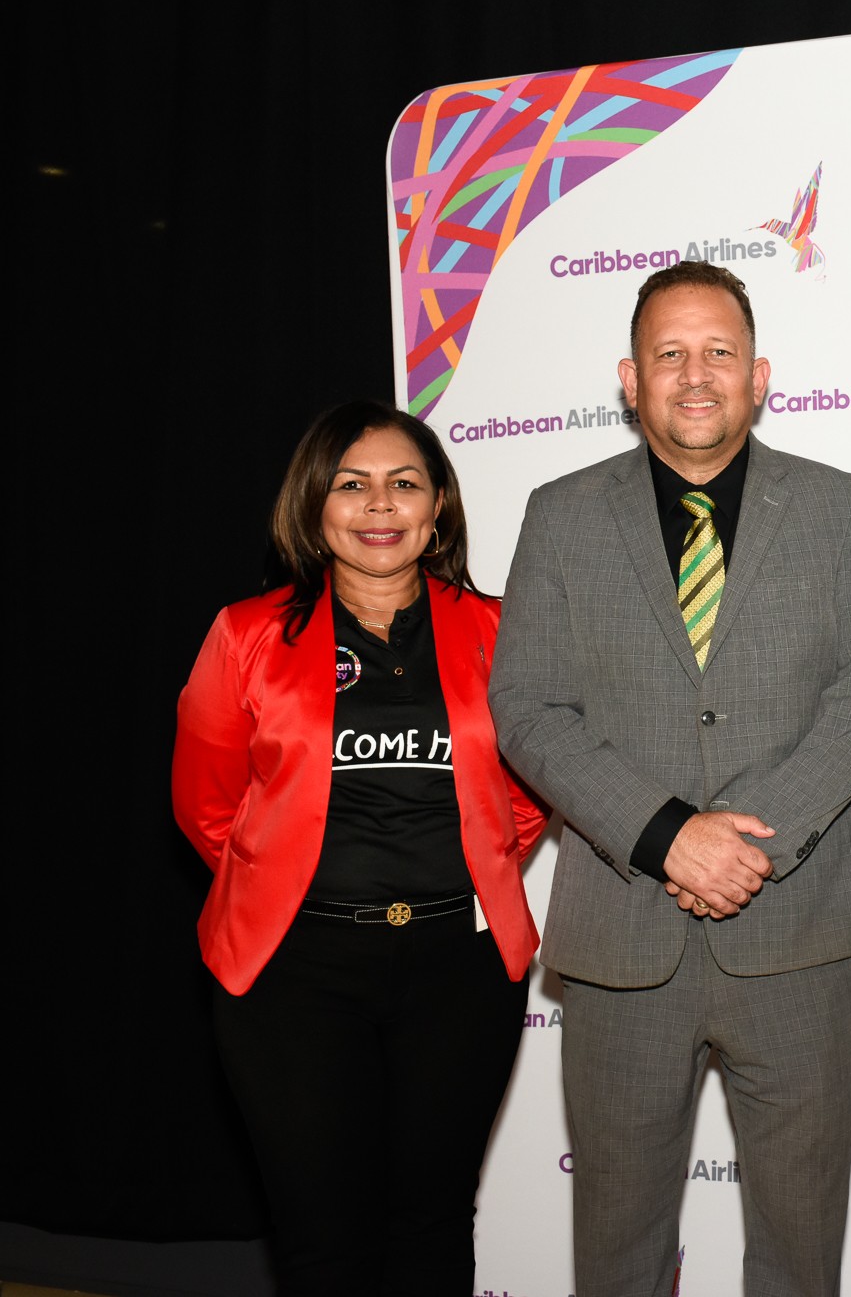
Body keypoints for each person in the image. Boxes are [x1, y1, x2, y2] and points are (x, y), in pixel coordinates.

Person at [490, 260, 851, 1297]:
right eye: (669, 354)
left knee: (799, 1252)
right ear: (630, 378)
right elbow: (528, 709)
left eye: (719, 352)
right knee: (617, 1250)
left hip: (797, 937)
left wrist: (749, 845)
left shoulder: (846, 509)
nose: (695, 374)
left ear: (761, 376)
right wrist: (668, 835)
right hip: (623, 941)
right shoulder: (561, 514)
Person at [171, 400, 547, 1296]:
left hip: (458, 970)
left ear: (438, 508)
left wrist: (476, 864)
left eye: (404, 483)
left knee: (432, 1224)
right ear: (314, 504)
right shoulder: (246, 634)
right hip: (296, 977)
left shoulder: (501, 630)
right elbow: (207, 806)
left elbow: (529, 797)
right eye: (352, 484)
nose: (379, 505)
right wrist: (283, 886)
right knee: (322, 1238)